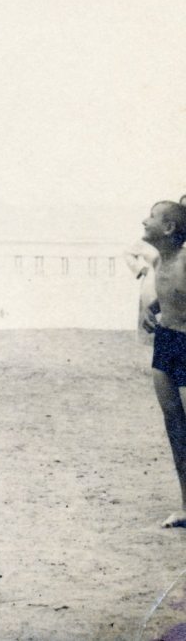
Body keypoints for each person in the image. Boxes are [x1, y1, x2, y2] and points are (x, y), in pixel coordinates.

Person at [139, 200, 186, 528]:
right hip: (167, 342)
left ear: (169, 228)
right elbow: (171, 292)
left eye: (151, 218)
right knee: (175, 426)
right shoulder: (157, 259)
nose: (144, 220)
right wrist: (152, 308)